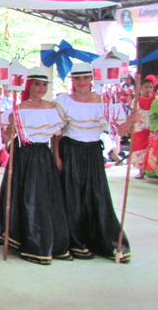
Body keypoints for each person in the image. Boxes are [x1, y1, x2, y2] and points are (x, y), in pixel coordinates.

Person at [53, 62, 138, 262]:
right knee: (71, 195)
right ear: (72, 80)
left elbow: (120, 130)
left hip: (92, 152)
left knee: (97, 195)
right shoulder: (64, 100)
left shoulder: (106, 102)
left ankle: (105, 241)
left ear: (91, 79)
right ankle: (75, 240)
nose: (81, 82)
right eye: (77, 78)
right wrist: (55, 155)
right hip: (70, 150)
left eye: (85, 77)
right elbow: (56, 133)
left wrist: (131, 121)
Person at [0, 67, 72, 264]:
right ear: (28, 85)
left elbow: (56, 137)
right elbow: (8, 141)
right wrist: (10, 129)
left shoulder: (53, 108)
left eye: (44, 84)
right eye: (37, 84)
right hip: (22, 155)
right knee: (22, 194)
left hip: (42, 155)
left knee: (43, 196)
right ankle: (19, 236)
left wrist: (56, 157)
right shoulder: (17, 109)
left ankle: (43, 235)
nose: (41, 88)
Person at [132, 79, 155, 179]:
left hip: (152, 129)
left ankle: (151, 170)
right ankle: (140, 170)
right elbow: (132, 115)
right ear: (141, 87)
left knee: (151, 150)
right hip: (139, 129)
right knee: (139, 150)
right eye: (146, 87)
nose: (148, 89)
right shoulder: (136, 100)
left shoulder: (155, 100)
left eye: (150, 87)